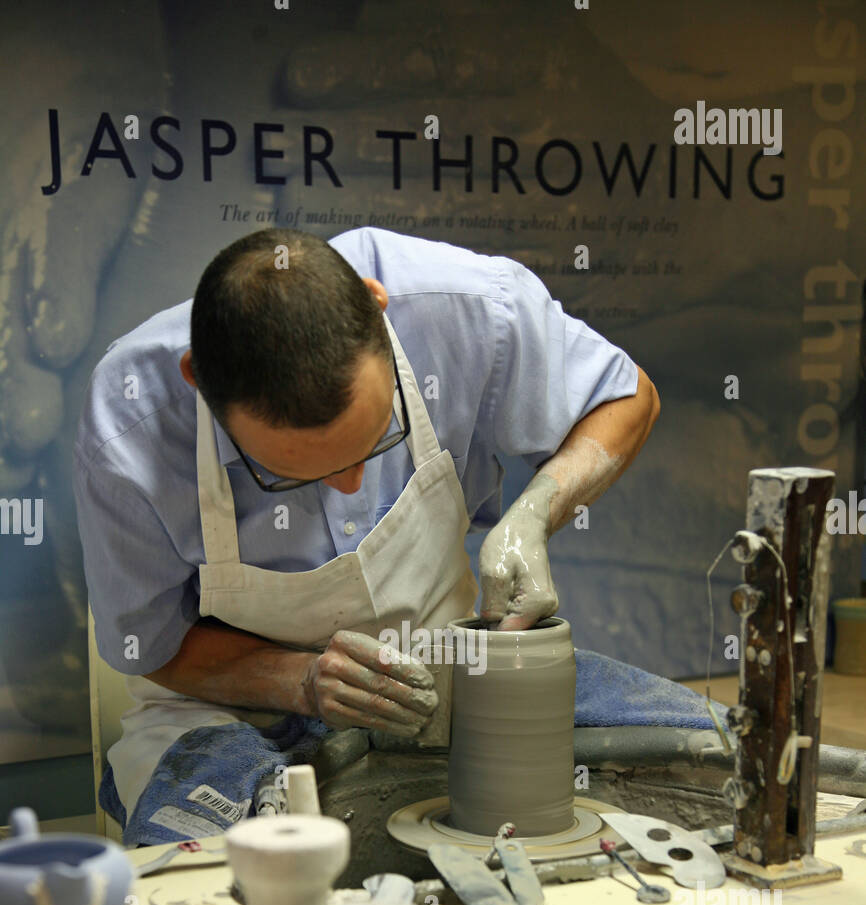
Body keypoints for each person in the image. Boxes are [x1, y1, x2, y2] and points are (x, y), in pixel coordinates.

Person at [73, 228, 659, 838]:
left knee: (722, 759)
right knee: (237, 887)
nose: (353, 485)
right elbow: (153, 650)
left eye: (377, 438)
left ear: (378, 309)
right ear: (198, 381)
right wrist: (299, 681)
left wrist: (536, 511)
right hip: (232, 716)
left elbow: (626, 397)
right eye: (287, 474)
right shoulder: (130, 422)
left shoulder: (467, 309)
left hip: (452, 670)